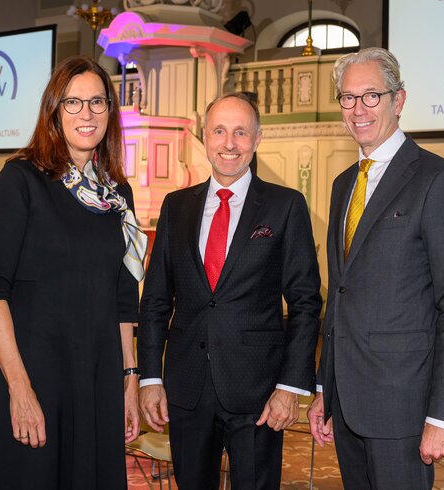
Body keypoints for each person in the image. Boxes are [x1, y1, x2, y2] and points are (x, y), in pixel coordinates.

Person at [0, 55, 146, 489]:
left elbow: (123, 297)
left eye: (97, 102)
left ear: (110, 112)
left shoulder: (118, 195)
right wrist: (19, 388)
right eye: (73, 103)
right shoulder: (21, 179)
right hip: (34, 372)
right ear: (54, 112)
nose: (87, 114)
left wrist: (129, 379)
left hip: (95, 377)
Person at [307, 47, 444, 489]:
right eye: (348, 98)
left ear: (398, 101)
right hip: (346, 401)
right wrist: (325, 388)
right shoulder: (343, 184)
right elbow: (341, 295)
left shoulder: (438, 181)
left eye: (371, 96)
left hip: (404, 406)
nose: (358, 109)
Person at [138, 92, 322, 490]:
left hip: (258, 392)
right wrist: (150, 377)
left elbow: (306, 303)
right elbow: (154, 301)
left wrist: (290, 387)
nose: (229, 143)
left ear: (257, 139)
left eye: (241, 133)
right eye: (220, 131)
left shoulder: (285, 206)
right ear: (204, 137)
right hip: (187, 388)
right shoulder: (176, 206)